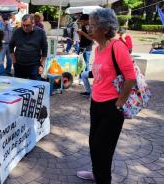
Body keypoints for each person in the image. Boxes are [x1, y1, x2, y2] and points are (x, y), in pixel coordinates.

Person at [76, 8, 136, 183]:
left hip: (112, 106)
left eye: (93, 26)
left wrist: (119, 103)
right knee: (94, 144)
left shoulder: (117, 47)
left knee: (103, 148)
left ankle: (104, 179)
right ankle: (96, 174)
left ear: (104, 29)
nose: (89, 29)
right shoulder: (98, 48)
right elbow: (103, 73)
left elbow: (130, 77)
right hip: (96, 103)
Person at [9, 14, 48, 80]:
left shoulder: (40, 32)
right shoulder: (17, 31)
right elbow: (10, 46)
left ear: (33, 24)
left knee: (35, 87)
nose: (25, 27)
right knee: (19, 87)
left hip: (34, 65)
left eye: (27, 25)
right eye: (23, 25)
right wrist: (14, 60)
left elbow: (45, 49)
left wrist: (41, 65)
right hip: (19, 65)